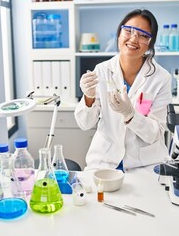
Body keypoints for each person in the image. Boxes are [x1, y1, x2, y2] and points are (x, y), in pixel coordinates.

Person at [74, 9, 172, 171]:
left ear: (150, 43)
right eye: (128, 31)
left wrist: (130, 115)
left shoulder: (161, 78)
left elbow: (155, 133)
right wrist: (88, 97)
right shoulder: (102, 70)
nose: (134, 39)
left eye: (143, 35)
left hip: (144, 164)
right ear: (119, 34)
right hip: (104, 160)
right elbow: (84, 124)